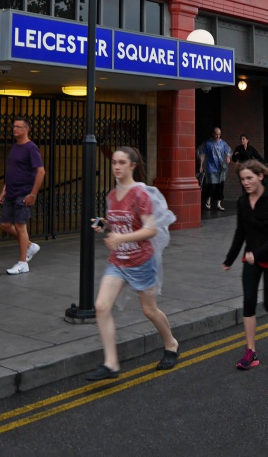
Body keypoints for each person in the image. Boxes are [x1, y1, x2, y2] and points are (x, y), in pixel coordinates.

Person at [86, 147, 180, 380]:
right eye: (114, 162)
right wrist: (105, 224)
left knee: (149, 310)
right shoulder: (111, 195)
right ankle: (111, 363)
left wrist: (120, 238)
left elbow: (150, 229)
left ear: (132, 166)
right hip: (118, 261)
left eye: (121, 163)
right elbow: (120, 223)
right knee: (101, 306)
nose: (116, 167)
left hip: (141, 262)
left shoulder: (140, 194)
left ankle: (171, 343)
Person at [222, 160, 268, 371]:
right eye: (243, 179)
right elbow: (240, 232)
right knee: (248, 300)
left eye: (249, 178)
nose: (245, 182)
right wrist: (229, 259)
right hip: (251, 258)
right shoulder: (242, 202)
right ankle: (251, 351)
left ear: (260, 177)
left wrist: (256, 253)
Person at [0, 116, 45, 274]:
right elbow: (13, 170)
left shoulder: (31, 148)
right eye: (14, 126)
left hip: (23, 194)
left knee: (20, 226)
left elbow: (41, 171)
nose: (15, 129)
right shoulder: (15, 147)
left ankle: (22, 262)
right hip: (11, 192)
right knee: (4, 224)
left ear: (26, 129)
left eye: (18, 127)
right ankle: (30, 246)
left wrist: (33, 194)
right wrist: (5, 189)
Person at [198, 127, 231, 211]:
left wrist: (228, 157)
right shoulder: (208, 143)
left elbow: (228, 152)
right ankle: (208, 201)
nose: (218, 136)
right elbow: (203, 154)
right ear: (213, 134)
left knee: (220, 186)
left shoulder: (223, 143)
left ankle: (218, 204)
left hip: (221, 168)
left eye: (219, 134)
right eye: (216, 134)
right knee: (212, 186)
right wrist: (201, 165)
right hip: (211, 167)